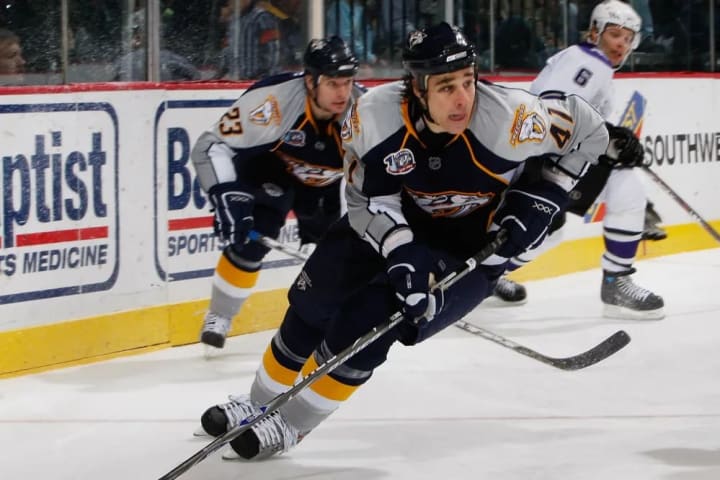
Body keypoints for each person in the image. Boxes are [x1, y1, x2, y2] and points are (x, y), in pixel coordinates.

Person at [194, 22, 610, 460]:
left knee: (368, 322)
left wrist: (543, 195)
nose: (462, 97)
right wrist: (400, 250)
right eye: (446, 86)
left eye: (467, 80)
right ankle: (259, 404)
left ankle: (292, 424)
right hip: (395, 217)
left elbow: (590, 132)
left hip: (469, 244)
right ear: (417, 86)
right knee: (310, 306)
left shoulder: (513, 117)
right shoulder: (371, 116)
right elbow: (365, 201)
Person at [493, 0, 665, 320]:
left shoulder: (589, 62)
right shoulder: (587, 61)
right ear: (594, 32)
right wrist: (610, 134)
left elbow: (577, 118)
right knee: (548, 230)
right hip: (547, 160)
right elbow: (554, 107)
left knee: (624, 189)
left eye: (629, 39)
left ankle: (616, 280)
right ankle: (488, 276)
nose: (621, 44)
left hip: (564, 158)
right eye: (615, 34)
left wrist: (611, 140)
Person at [190, 36, 363, 350]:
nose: (343, 93)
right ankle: (219, 316)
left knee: (337, 254)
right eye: (333, 84)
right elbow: (210, 146)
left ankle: (335, 320)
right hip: (273, 170)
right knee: (251, 238)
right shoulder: (273, 102)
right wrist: (225, 194)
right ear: (310, 81)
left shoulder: (364, 113)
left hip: (325, 187)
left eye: (348, 82)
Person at [218, 0, 280, 79]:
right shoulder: (233, 21)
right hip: (238, 81)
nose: (232, 2)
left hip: (260, 82)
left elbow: (272, 52)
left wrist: (265, 78)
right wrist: (223, 73)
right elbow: (227, 51)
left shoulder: (262, 17)